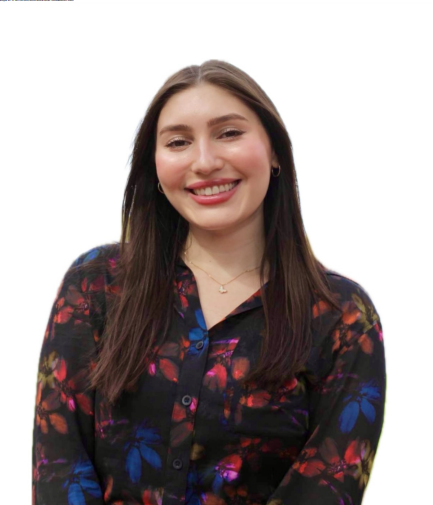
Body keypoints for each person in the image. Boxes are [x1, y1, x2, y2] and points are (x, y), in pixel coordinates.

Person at [32, 59, 386, 505]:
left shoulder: (342, 317)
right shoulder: (96, 285)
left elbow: (326, 488)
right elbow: (60, 465)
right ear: (155, 165)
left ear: (275, 151)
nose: (204, 161)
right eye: (178, 142)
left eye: (229, 133)